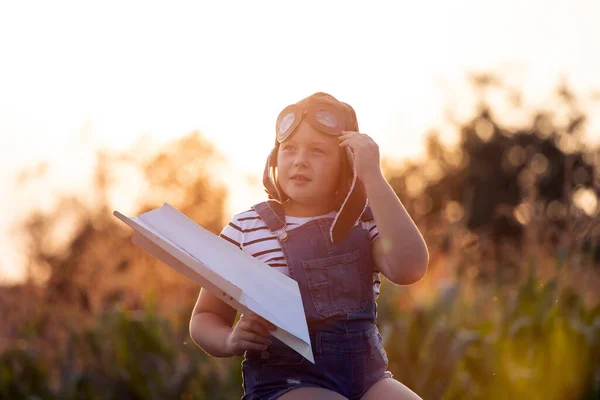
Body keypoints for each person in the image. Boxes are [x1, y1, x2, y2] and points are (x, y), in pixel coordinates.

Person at [189, 92, 428, 399]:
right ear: (275, 158)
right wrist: (229, 340)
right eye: (289, 149)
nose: (300, 160)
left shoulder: (364, 221)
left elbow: (410, 268)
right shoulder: (247, 227)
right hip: (285, 381)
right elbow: (204, 317)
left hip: (369, 379)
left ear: (346, 164)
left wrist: (373, 177)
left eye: (317, 150)